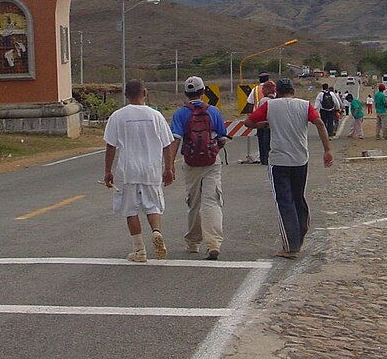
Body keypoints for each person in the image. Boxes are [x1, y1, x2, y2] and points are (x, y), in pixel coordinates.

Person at [243, 77, 333, 258]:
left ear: (277, 92)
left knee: (284, 202)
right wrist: (327, 150)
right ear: (293, 91)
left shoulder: (271, 106)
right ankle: (301, 230)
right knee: (298, 197)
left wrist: (265, 124)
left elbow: (248, 122)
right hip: (300, 159)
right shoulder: (304, 105)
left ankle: (290, 246)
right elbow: (320, 124)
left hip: (279, 160)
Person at [103, 79, 176, 263]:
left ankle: (139, 250)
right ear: (145, 93)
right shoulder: (156, 116)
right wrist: (168, 168)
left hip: (128, 169)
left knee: (130, 209)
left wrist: (108, 171)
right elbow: (168, 144)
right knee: (153, 205)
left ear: (126, 95)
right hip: (151, 169)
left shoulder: (118, 116)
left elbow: (111, 146)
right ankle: (156, 232)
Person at [170, 75, 229, 260]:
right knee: (212, 201)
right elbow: (223, 139)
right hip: (212, 162)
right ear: (203, 92)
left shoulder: (180, 114)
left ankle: (193, 242)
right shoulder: (213, 111)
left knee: (193, 202)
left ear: (185, 93)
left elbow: (176, 139)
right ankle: (214, 243)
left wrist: (169, 165)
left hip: (191, 163)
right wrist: (213, 151)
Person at [244, 72, 273, 165]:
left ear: (259, 80)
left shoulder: (255, 90)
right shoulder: (273, 88)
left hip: (258, 118)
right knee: (270, 139)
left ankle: (263, 158)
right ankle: (270, 158)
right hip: (271, 118)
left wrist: (250, 116)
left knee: (261, 139)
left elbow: (250, 103)